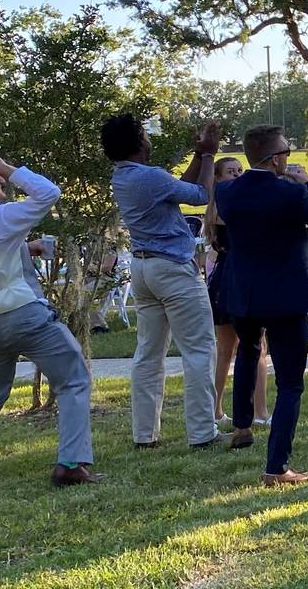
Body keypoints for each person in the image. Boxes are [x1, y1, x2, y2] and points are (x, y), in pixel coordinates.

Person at [0, 154, 101, 487]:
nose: (1, 183)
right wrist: (8, 169)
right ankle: (70, 463)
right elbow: (48, 193)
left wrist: (26, 247)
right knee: (73, 380)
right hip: (26, 314)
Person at [216, 124, 308, 486]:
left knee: (248, 355)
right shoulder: (290, 193)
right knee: (290, 383)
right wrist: (306, 183)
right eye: (286, 152)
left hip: (244, 291)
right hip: (285, 293)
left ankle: (241, 427)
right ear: (273, 158)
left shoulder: (226, 192)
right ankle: (276, 466)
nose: (289, 158)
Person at [106, 115, 223, 449]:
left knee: (148, 354)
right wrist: (211, 155)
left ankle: (145, 435)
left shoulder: (126, 176)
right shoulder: (149, 176)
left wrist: (199, 155)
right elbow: (200, 195)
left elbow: (177, 190)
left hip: (144, 270)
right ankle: (203, 434)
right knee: (199, 349)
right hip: (172, 268)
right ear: (140, 142)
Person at [204, 156, 270, 428]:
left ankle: (222, 409)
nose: (237, 175)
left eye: (240, 170)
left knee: (237, 347)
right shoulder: (223, 207)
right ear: (217, 178)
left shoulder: (223, 204)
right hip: (236, 276)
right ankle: (255, 411)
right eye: (230, 172)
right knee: (244, 347)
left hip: (228, 276)